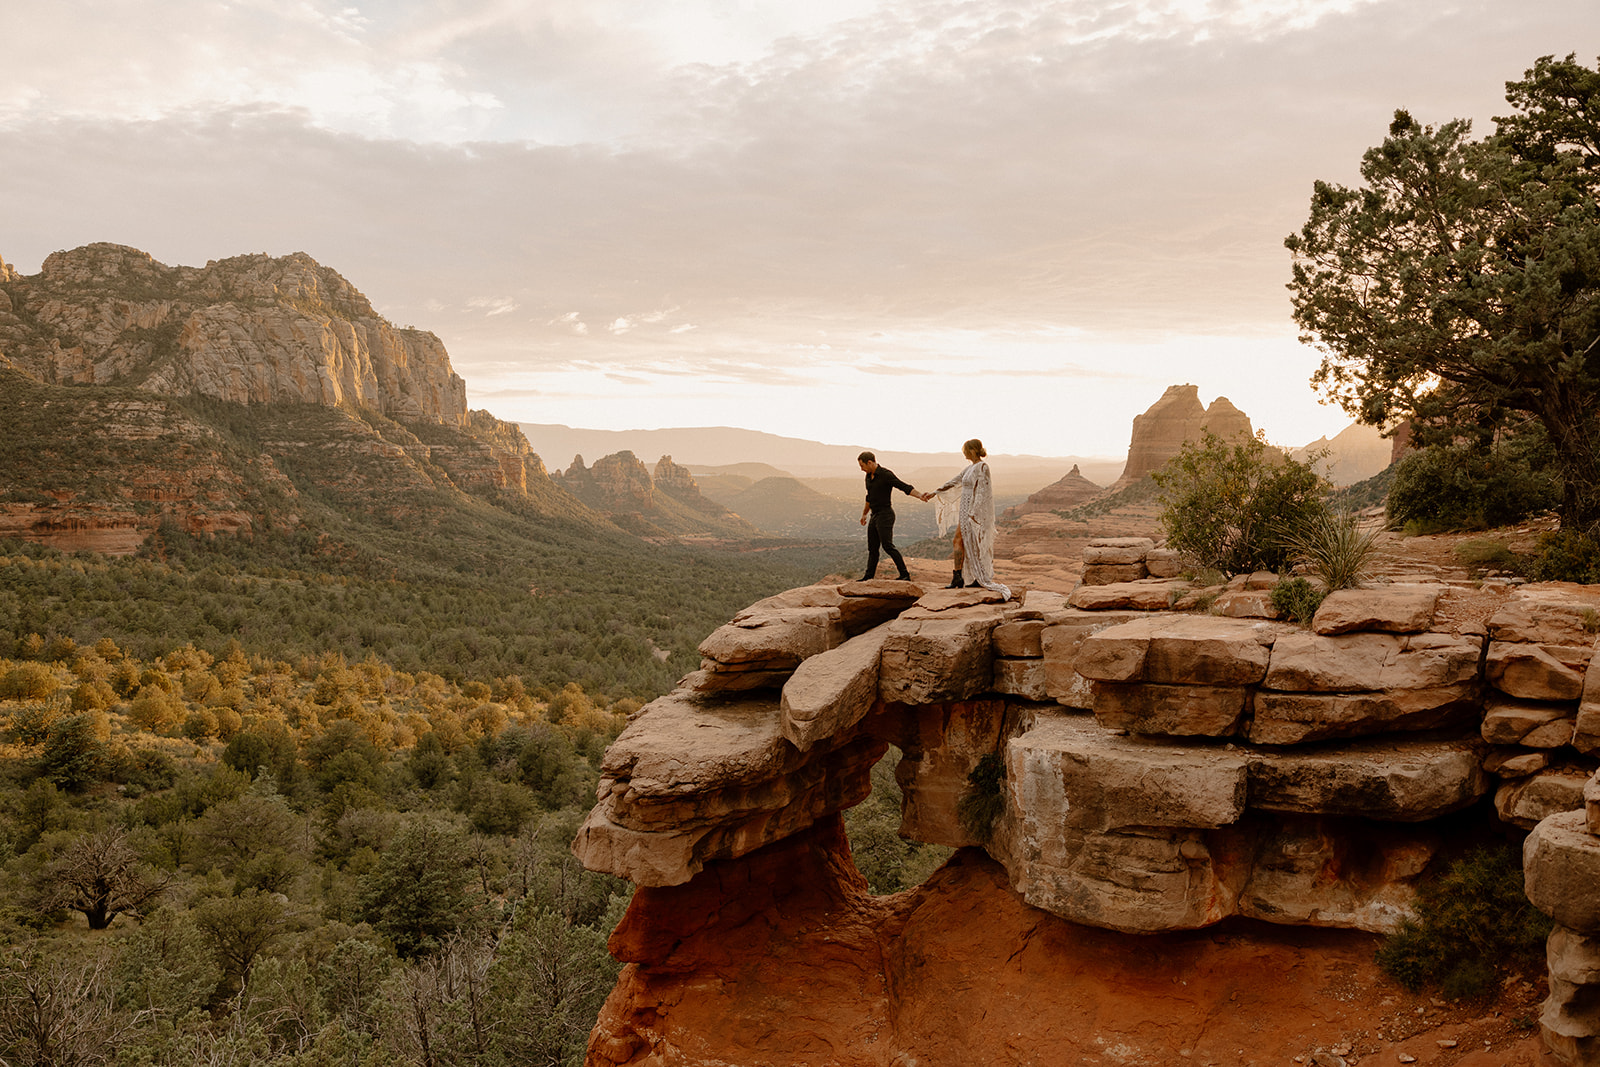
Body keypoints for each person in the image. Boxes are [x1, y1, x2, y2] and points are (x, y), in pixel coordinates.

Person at [927, 438, 1012, 600]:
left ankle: (969, 577)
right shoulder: (969, 468)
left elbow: (982, 491)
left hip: (974, 512)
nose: (963, 452)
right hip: (965, 510)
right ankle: (961, 576)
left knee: (969, 543)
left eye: (965, 449)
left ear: (972, 450)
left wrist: (974, 512)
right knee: (960, 541)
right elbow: (954, 481)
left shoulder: (982, 467)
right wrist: (935, 492)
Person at [857, 451, 918, 581]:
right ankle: (868, 577)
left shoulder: (885, 474)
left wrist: (920, 495)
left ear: (870, 462)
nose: (861, 469)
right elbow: (869, 497)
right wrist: (864, 514)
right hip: (874, 515)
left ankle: (904, 574)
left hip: (885, 514)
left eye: (862, 466)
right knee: (872, 548)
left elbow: (903, 486)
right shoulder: (868, 476)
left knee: (887, 546)